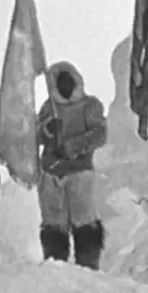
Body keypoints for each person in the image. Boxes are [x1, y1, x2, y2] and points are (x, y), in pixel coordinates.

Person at [36, 61, 107, 270]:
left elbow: (100, 134)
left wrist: (74, 146)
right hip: (51, 173)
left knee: (84, 220)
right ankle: (55, 266)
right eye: (60, 82)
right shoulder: (49, 107)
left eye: (68, 81)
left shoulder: (90, 105)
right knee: (53, 223)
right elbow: (36, 135)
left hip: (79, 171)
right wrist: (46, 131)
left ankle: (88, 266)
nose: (65, 86)